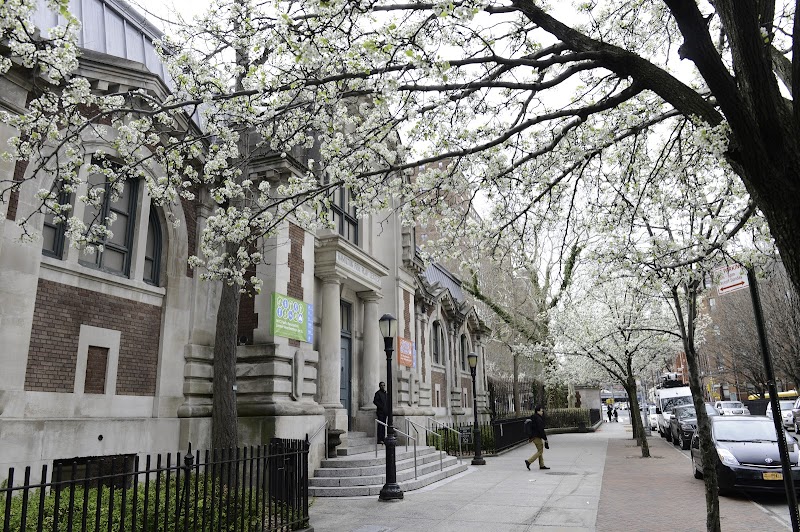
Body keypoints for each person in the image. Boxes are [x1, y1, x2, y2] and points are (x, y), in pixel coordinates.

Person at [524, 405, 550, 470]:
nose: (542, 412)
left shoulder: (534, 417)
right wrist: (545, 438)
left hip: (533, 436)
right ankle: (529, 461)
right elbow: (541, 430)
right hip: (536, 437)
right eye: (541, 411)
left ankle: (542, 465)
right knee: (540, 451)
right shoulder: (538, 419)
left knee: (539, 450)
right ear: (538, 411)